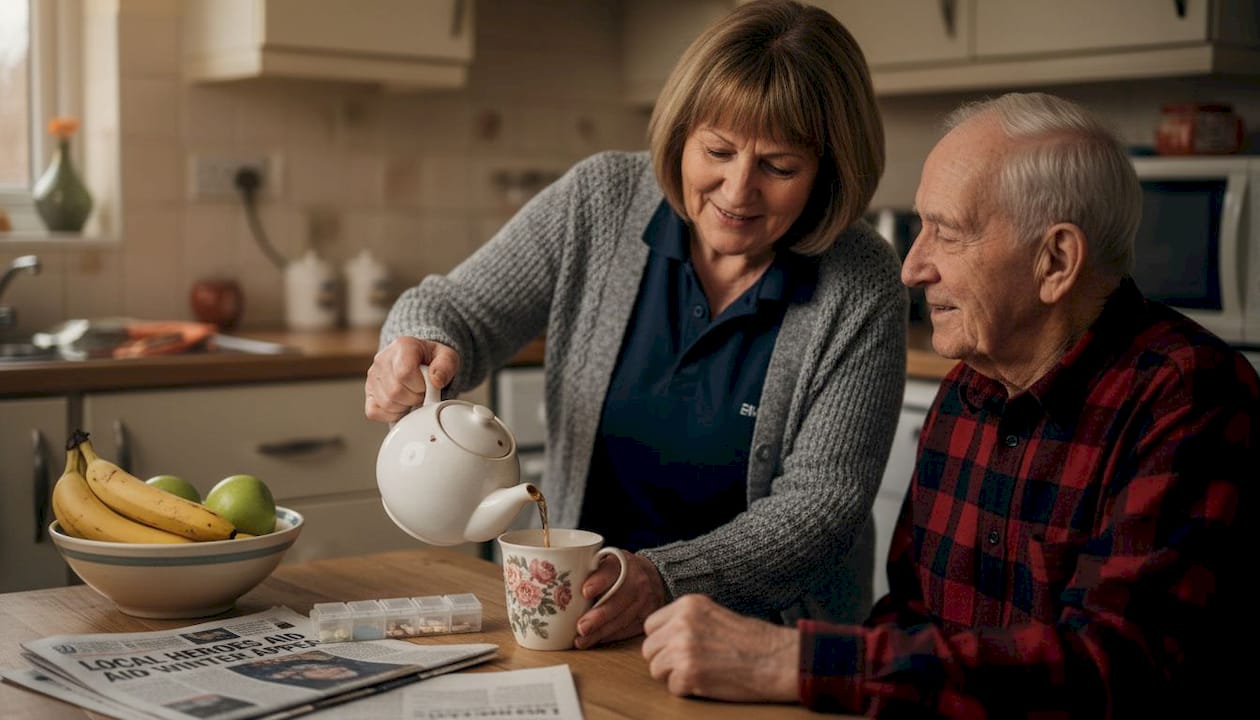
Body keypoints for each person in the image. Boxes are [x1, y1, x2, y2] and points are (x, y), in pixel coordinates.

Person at [640, 91, 1260, 717]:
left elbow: (1114, 670)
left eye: (948, 233)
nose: (912, 268)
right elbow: (912, 620)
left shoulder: (1191, 396)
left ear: (1056, 261)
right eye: (919, 228)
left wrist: (787, 661)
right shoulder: (969, 388)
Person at [365, 0, 906, 649]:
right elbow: (457, 308)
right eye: (719, 150)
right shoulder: (601, 200)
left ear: (828, 173)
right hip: (581, 624)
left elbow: (823, 506)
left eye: (779, 166)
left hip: (762, 644)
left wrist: (664, 577)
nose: (738, 191)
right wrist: (418, 342)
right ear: (682, 133)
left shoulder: (861, 279)